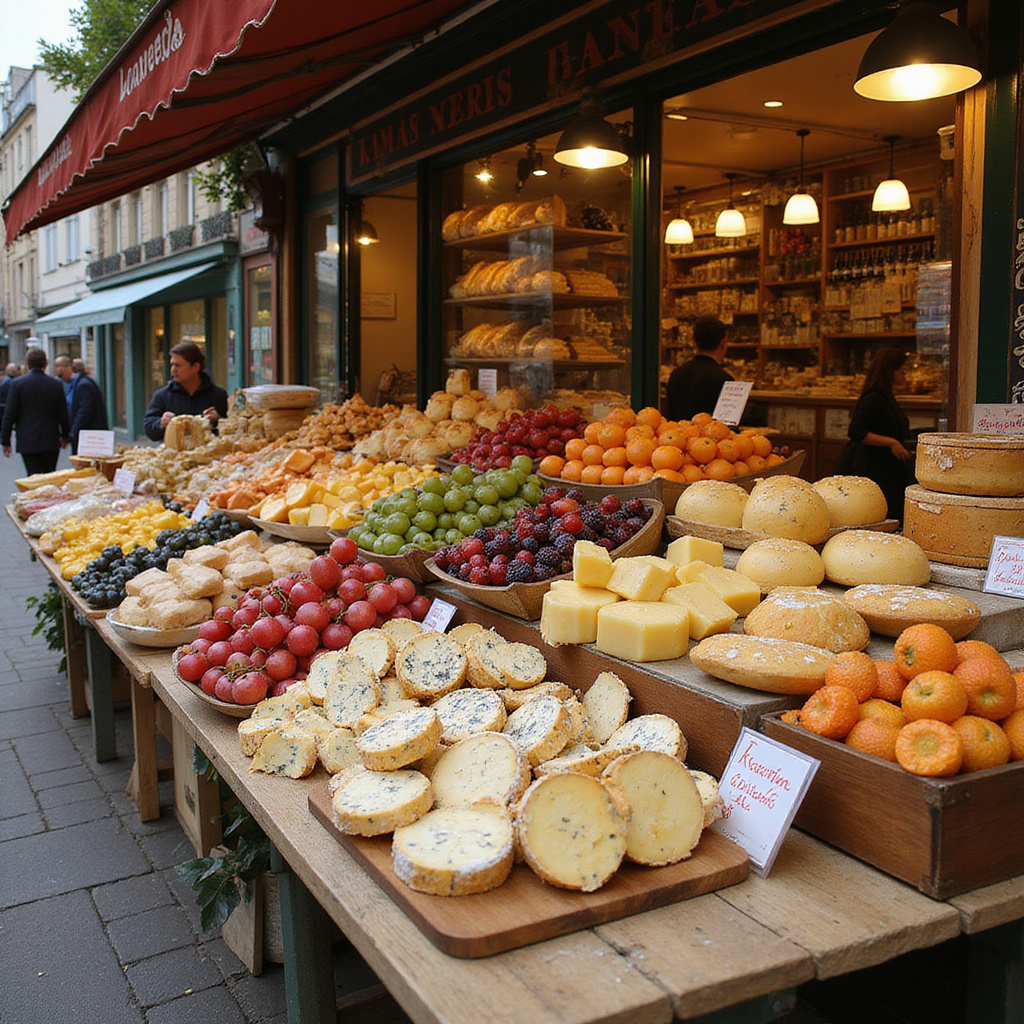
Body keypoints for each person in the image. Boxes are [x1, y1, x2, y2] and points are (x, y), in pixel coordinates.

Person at [841, 347, 915, 521]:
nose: (905, 374)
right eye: (901, 370)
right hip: (873, 468)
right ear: (890, 371)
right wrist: (891, 443)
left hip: (884, 469)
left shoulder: (886, 396)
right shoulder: (874, 398)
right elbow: (856, 431)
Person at [1, 348, 70, 475]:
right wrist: (65, 435)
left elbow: (10, 414)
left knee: (32, 475)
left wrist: (5, 440)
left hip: (27, 439)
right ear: (46, 363)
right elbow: (63, 413)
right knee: (49, 475)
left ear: (28, 364)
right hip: (50, 439)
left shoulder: (17, 384)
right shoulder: (55, 384)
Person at [143, 341, 228, 441]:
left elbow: (231, 430)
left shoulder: (218, 395)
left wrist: (218, 421)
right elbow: (149, 428)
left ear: (196, 367)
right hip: (173, 450)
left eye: (178, 365)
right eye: (172, 365)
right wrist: (161, 423)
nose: (173, 370)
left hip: (209, 449)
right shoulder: (162, 395)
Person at [665, 316, 734, 421]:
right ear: (723, 342)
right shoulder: (724, 380)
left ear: (694, 342)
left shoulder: (676, 374)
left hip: (677, 431)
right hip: (709, 431)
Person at [53, 353, 109, 454]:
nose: (57, 372)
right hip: (84, 436)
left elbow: (84, 412)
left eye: (58, 367)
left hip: (89, 438)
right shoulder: (77, 384)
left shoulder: (83, 385)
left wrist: (72, 433)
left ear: (68, 367)